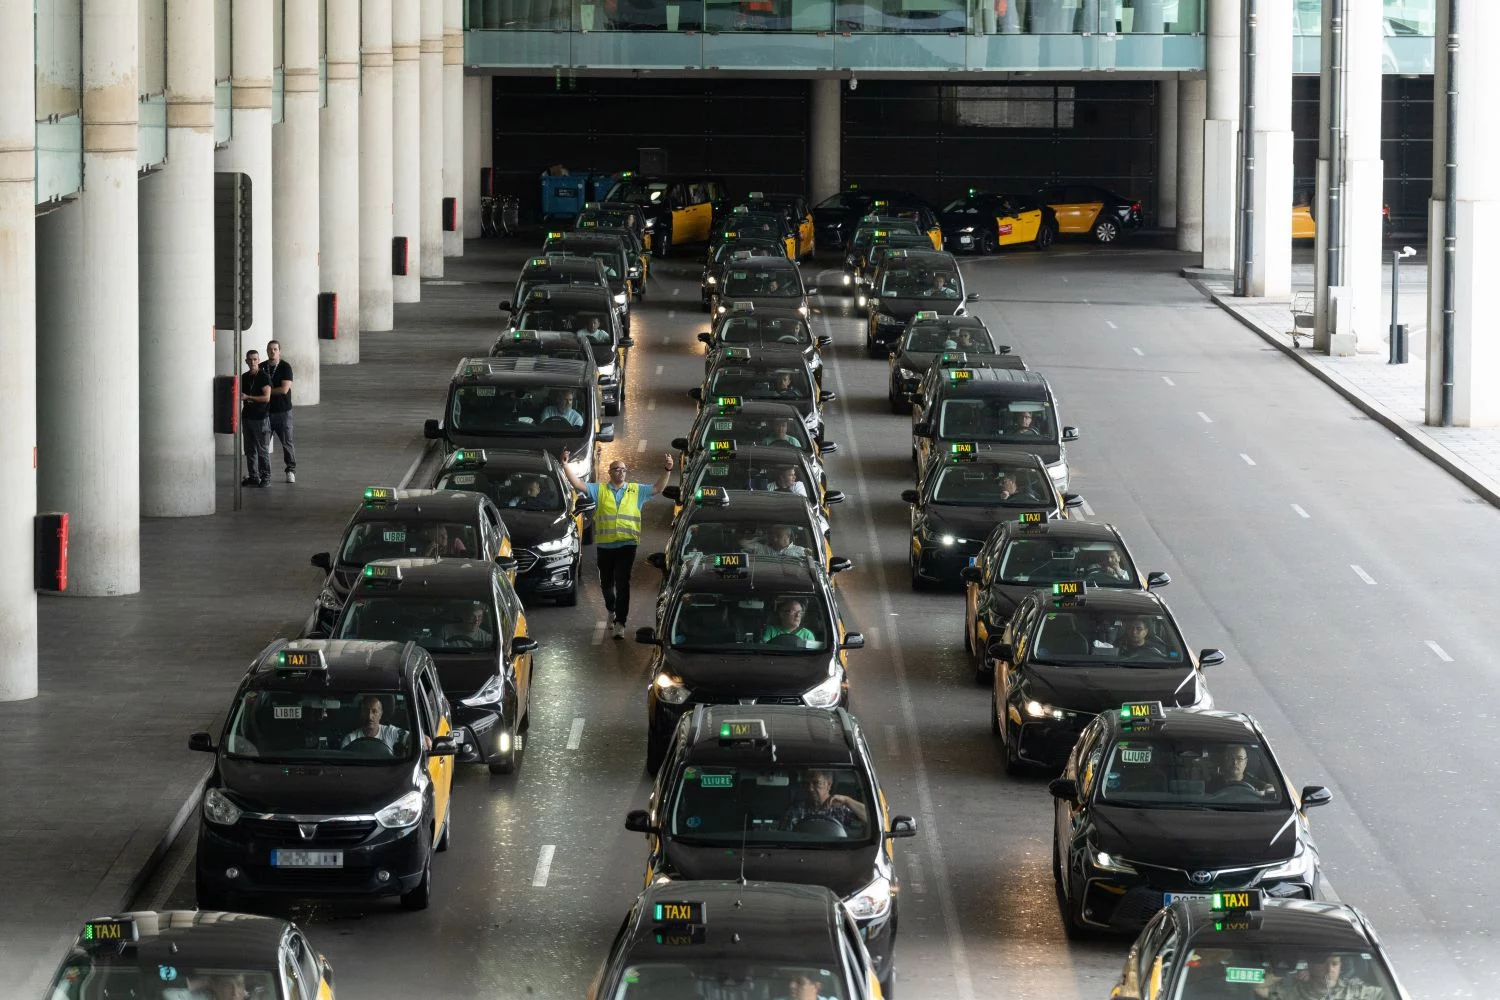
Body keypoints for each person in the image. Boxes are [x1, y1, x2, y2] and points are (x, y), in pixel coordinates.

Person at [560, 451, 673, 638]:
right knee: (606, 584)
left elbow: (657, 488)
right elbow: (578, 484)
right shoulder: (599, 490)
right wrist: (565, 466)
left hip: (628, 545)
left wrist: (667, 469)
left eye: (623, 470)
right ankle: (611, 608)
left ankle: (621, 621)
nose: (620, 472)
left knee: (623, 582)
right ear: (610, 472)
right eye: (616, 469)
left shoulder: (636, 491)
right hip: (605, 546)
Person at [1261, 954, 1385, 1000]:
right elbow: (1259, 987)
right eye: (1323, 964)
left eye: (1334, 964)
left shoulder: (1356, 990)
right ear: (1310, 966)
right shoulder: (1294, 991)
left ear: (1340, 966)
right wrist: (1285, 970)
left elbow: (1389, 995)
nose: (1329, 969)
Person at [778, 768, 868, 830]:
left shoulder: (842, 809)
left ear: (829, 784)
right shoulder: (795, 810)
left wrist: (847, 800)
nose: (810, 788)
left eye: (816, 783)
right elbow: (784, 837)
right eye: (806, 783)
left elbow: (871, 819)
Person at [259, 339, 296, 483]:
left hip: (283, 412)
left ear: (279, 351)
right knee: (263, 444)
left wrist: (266, 392)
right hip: (265, 412)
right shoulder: (262, 367)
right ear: (267, 351)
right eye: (270, 349)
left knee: (287, 442)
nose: (272, 351)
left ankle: (291, 470)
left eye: (275, 349)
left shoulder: (285, 367)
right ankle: (264, 473)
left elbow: (284, 389)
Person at [239, 349, 272, 488]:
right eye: (250, 359)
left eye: (255, 359)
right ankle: (254, 476)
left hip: (260, 418)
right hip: (247, 417)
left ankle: (266, 477)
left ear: (259, 361)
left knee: (262, 449)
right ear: (246, 361)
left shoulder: (264, 376)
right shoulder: (244, 377)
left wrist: (248, 397)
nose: (252, 362)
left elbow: (266, 397)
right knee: (249, 449)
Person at [341, 695, 410, 750]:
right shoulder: (350, 740)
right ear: (361, 713)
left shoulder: (390, 732)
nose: (370, 716)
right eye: (366, 711)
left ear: (380, 714)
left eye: (374, 711)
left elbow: (413, 740)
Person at [1207, 744, 1277, 798]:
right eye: (1231, 758)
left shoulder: (1254, 782)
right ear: (1225, 760)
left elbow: (1273, 788)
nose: (1234, 762)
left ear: (1245, 762)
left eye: (1239, 759)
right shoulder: (1213, 783)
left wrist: (1262, 793)